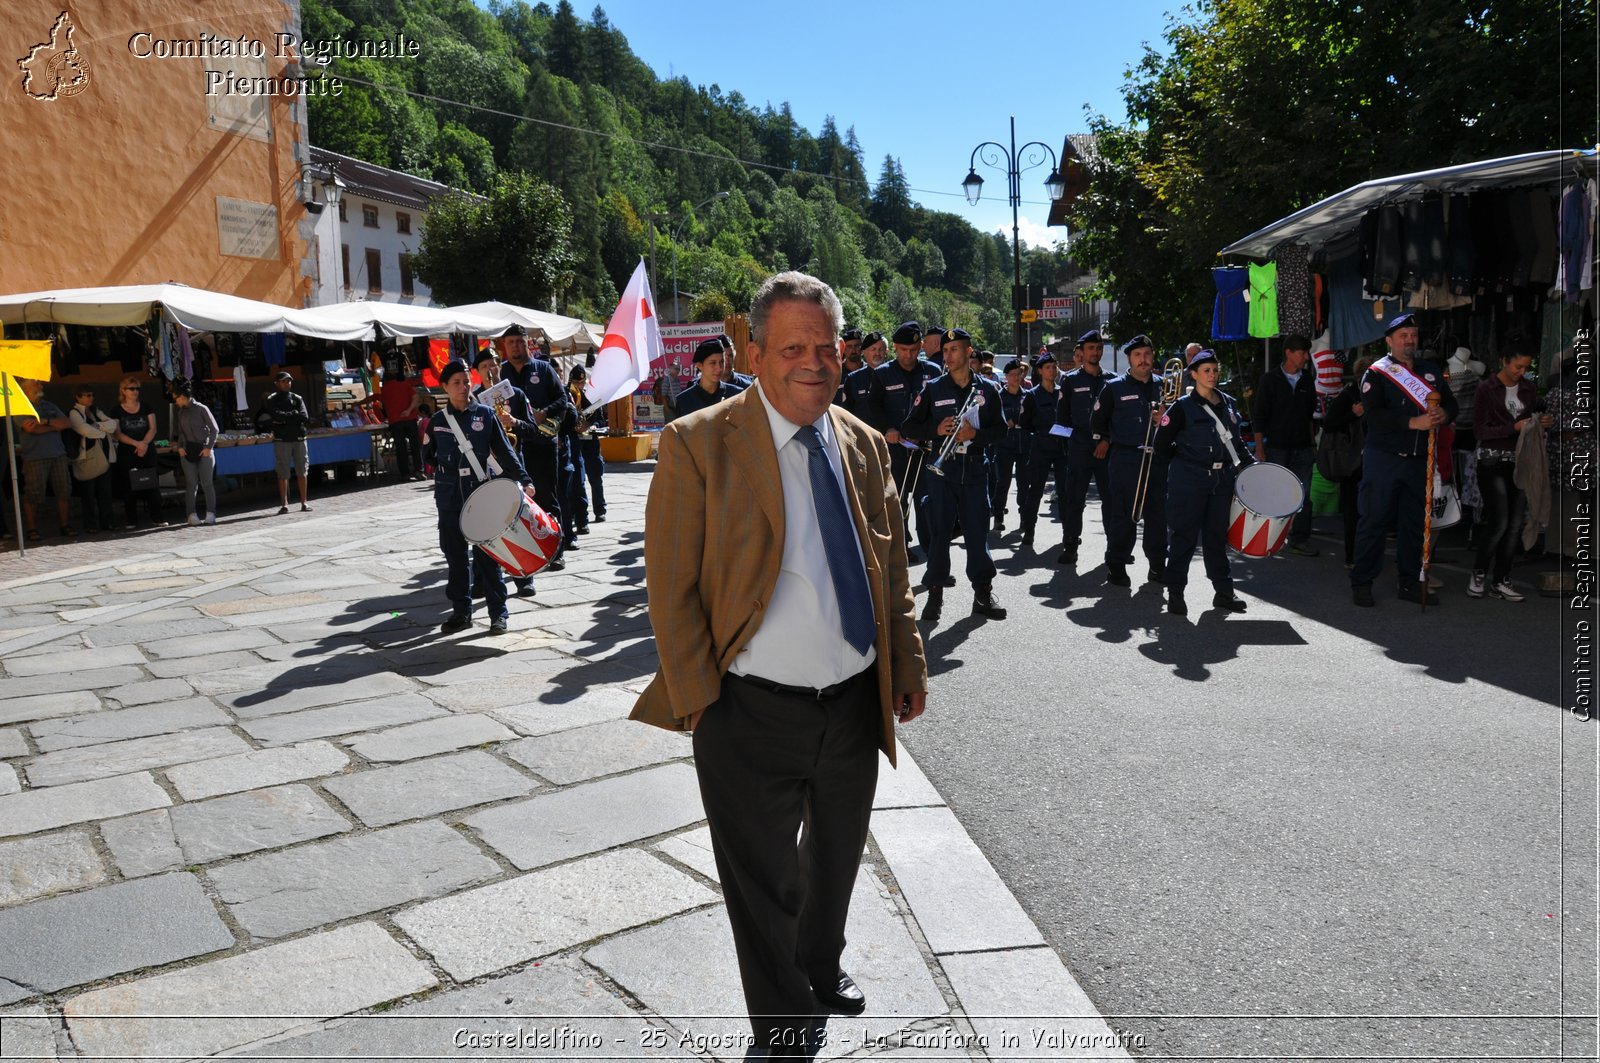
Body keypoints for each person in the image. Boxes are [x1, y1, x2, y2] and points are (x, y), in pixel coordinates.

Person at [631, 271, 928, 1058]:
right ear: (753, 353)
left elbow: (890, 568)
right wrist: (698, 695)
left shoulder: (862, 443)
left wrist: (906, 664)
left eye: (827, 346)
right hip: (748, 705)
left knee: (835, 855)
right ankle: (784, 1024)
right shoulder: (700, 441)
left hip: (852, 697)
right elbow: (670, 581)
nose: (815, 361)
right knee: (761, 881)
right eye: (793, 346)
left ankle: (819, 967)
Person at [1349, 313, 1459, 607]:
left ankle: (1409, 582)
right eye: (1403, 336)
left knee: (1414, 523)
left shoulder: (1431, 371)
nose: (1409, 341)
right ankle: (1363, 582)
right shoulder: (1376, 373)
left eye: (1413, 335)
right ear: (1389, 341)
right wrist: (1414, 423)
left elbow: (1451, 404)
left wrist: (1442, 415)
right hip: (1384, 458)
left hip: (1418, 459)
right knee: (1374, 520)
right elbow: (1374, 415)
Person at [901, 328, 1007, 623]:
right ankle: (935, 594)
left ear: (969, 352)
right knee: (938, 534)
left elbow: (1001, 432)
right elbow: (909, 427)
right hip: (942, 470)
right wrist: (935, 430)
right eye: (945, 351)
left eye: (954, 350)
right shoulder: (933, 388)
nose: (948, 356)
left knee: (976, 533)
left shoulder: (987, 389)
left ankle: (983, 593)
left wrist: (976, 434)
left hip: (974, 468)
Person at [424, 359, 531, 635]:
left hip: (481, 494)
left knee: (488, 557)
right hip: (449, 499)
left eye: (466, 381)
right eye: (456, 383)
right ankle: (461, 613)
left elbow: (506, 451)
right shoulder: (436, 423)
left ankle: (499, 614)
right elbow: (426, 457)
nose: (463, 387)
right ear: (445, 387)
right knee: (456, 558)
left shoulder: (484, 415)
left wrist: (524, 480)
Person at [1153, 349, 1252, 616]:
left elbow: (1237, 443)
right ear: (1193, 374)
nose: (1212, 375)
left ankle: (1223, 592)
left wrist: (1254, 467)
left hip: (1221, 480)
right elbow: (1161, 444)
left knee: (1216, 537)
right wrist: (1184, 462)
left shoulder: (1229, 403)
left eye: (1215, 370)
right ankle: (1175, 592)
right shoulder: (1181, 407)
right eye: (1206, 371)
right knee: (1184, 536)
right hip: (1189, 480)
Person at [1468, 341, 1550, 601]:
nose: (1521, 371)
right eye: (1518, 366)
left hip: (1520, 460)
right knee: (1500, 521)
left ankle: (1501, 579)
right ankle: (1479, 572)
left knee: (1515, 523)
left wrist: (1542, 423)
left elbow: (1530, 422)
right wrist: (1512, 429)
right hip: (1491, 460)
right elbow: (1480, 431)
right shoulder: (1486, 388)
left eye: (1526, 367)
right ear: (1504, 360)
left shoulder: (1528, 388)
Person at [1090, 335, 1169, 586]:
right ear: (1129, 359)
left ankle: (1157, 565)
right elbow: (1097, 421)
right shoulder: (1114, 387)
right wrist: (1105, 439)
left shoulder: (1164, 386)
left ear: (1152, 356)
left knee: (1157, 515)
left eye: (1147, 354)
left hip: (1157, 458)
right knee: (1123, 513)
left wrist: (1164, 420)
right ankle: (1117, 564)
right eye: (1137, 355)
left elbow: (1177, 424)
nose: (1143, 360)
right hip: (1126, 457)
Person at [867, 322, 941, 562]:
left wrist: (927, 431)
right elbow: (874, 409)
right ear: (895, 348)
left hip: (925, 449)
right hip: (895, 450)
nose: (908, 356)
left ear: (920, 346)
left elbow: (938, 408)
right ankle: (900, 551)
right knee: (896, 502)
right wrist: (887, 428)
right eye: (903, 350)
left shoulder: (932, 371)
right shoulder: (882, 374)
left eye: (913, 350)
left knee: (927, 504)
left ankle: (933, 557)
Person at [471, 347, 540, 597]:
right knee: (483, 523)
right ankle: (480, 578)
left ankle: (524, 576)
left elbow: (533, 429)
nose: (491, 370)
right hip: (485, 469)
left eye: (494, 365)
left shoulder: (517, 395)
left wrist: (515, 423)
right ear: (476, 372)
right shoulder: (473, 400)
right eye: (485, 367)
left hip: (512, 466)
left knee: (517, 521)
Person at [499, 324, 569, 562]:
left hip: (543, 443)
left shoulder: (544, 368)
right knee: (518, 503)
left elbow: (563, 399)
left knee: (548, 497)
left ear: (527, 342)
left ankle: (556, 551)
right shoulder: (500, 374)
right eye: (511, 342)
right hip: (515, 448)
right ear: (504, 346)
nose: (516, 346)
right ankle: (525, 553)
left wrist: (545, 412)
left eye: (520, 341)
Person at [1252, 334, 1320, 556]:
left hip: (1302, 447)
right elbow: (1259, 417)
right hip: (1277, 447)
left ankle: (1299, 539)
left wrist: (1312, 445)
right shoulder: (1269, 380)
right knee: (1276, 492)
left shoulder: (1308, 379)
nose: (1306, 357)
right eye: (1302, 353)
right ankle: (1270, 537)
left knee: (1303, 494)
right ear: (1288, 353)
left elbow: (1311, 416)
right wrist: (1260, 448)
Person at [1054, 329, 1112, 566]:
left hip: (1106, 448)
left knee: (1111, 500)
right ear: (1081, 352)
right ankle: (1070, 544)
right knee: (1074, 500)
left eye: (1099, 348)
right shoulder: (1070, 380)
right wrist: (1069, 448)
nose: (1095, 352)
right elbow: (1061, 420)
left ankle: (1114, 548)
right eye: (1091, 348)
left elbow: (1116, 417)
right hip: (1079, 447)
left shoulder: (1112, 381)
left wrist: (1106, 440)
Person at [1321, 355, 1372, 569]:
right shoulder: (1349, 395)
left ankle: (1365, 553)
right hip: (1352, 461)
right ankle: (1352, 556)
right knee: (1352, 510)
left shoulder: (1381, 395)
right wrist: (1353, 414)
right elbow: (1329, 423)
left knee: (1370, 509)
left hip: (1373, 458)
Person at [13, 378, 74, 541]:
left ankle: (65, 525)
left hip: (58, 454)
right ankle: (32, 528)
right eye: (36, 383)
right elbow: (31, 430)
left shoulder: (50, 405)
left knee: (64, 490)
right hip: (35, 457)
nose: (41, 385)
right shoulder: (20, 408)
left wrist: (44, 421)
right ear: (25, 388)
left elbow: (67, 423)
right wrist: (54, 426)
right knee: (33, 493)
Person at [1018, 351, 1068, 548]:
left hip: (1062, 447)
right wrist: (1041, 434)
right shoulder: (1032, 396)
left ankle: (1068, 533)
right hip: (1041, 447)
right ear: (1039, 370)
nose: (1052, 370)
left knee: (1065, 492)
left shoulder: (1062, 392)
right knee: (1035, 491)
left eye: (1054, 367)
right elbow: (1025, 423)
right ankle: (1029, 530)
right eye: (1048, 367)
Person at [112, 375, 166, 529]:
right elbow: (117, 433)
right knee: (129, 486)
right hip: (128, 451)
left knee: (152, 484)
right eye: (131, 389)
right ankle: (132, 520)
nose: (135, 392)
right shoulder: (116, 410)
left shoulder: (146, 406)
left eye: (137, 389)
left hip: (147, 449)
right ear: (123, 390)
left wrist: (144, 444)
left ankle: (157, 517)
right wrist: (136, 444)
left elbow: (153, 428)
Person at [367, 352, 424, 482]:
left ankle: (405, 473)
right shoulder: (405, 385)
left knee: (401, 448)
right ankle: (419, 471)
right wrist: (409, 410)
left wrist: (357, 404)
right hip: (410, 419)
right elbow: (416, 397)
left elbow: (375, 398)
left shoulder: (385, 388)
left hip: (395, 421)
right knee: (415, 446)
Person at [260, 371, 311, 514]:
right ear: (277, 383)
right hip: (282, 440)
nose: (287, 383)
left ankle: (304, 502)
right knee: (283, 473)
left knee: (302, 471)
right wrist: (292, 415)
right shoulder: (272, 399)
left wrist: (284, 419)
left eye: (288, 381)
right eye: (283, 381)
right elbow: (275, 415)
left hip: (299, 439)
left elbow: (304, 417)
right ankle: (284, 504)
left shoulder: (297, 398)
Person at [67, 384, 117, 532]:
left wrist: (97, 426)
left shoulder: (95, 410)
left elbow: (113, 425)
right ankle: (90, 525)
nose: (91, 398)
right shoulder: (74, 412)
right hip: (87, 458)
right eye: (87, 395)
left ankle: (107, 522)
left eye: (92, 395)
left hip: (104, 456)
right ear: (78, 397)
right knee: (88, 494)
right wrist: (103, 430)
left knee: (105, 492)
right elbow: (84, 430)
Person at [990, 359, 1030, 531]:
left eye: (1018, 374)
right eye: (1012, 375)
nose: (1015, 378)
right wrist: (1008, 422)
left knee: (1024, 483)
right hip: (1004, 446)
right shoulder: (998, 397)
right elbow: (994, 422)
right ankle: (998, 515)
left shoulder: (1028, 396)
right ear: (1006, 377)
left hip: (1024, 446)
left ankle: (1024, 516)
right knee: (1003, 482)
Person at [172, 379, 218, 526]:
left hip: (203, 450)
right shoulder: (180, 412)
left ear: (181, 397)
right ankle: (191, 515)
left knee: (207, 483)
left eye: (176, 398)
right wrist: (179, 447)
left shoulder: (201, 408)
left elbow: (214, 429)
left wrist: (208, 448)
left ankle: (211, 513)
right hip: (187, 451)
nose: (175, 401)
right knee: (191, 484)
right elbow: (180, 432)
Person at [676, 337, 742, 418]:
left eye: (722, 362)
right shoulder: (684, 401)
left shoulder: (736, 395)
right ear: (699, 365)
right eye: (713, 363)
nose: (719, 368)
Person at [575, 370, 608, 525]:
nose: (580, 385)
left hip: (591, 443)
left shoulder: (593, 397)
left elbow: (601, 420)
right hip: (576, 444)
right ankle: (579, 513)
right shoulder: (568, 396)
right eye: (577, 382)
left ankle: (600, 510)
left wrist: (594, 426)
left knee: (595, 478)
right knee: (577, 482)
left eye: (582, 382)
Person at [838, 330, 884, 416]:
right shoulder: (836, 373)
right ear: (843, 349)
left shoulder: (873, 371)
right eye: (849, 346)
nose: (853, 350)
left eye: (857, 346)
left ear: (862, 349)